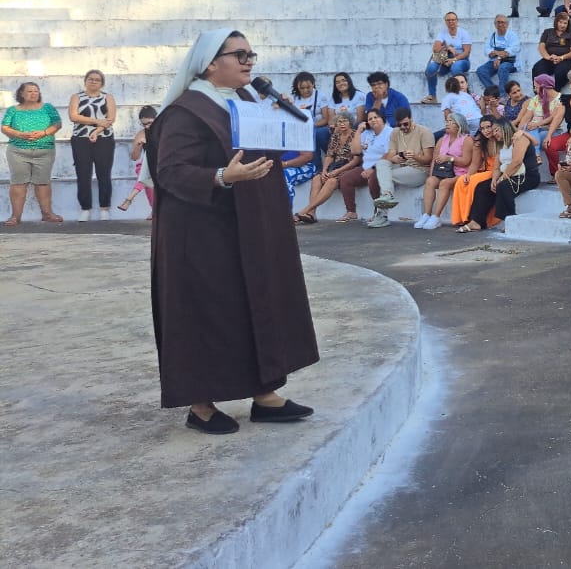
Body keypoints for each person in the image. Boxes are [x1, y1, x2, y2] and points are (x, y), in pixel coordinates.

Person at [146, 30, 318, 434]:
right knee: (207, 313)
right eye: (239, 55)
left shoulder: (245, 100)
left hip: (250, 227)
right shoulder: (186, 111)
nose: (249, 61)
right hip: (202, 235)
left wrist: (283, 122)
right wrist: (222, 176)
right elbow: (170, 172)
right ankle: (201, 405)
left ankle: (265, 394)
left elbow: (263, 154)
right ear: (210, 62)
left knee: (253, 305)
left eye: (251, 54)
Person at [3, 81, 62, 224]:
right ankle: (15, 217)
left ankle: (47, 214)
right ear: (21, 94)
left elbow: (57, 124)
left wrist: (44, 133)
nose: (33, 93)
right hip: (18, 152)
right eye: (29, 91)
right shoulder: (12, 110)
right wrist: (19, 134)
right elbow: (4, 127)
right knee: (18, 183)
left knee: (43, 183)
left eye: (36, 91)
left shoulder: (48, 108)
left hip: (44, 151)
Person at [459, 119, 532, 232]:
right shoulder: (500, 145)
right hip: (508, 174)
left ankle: (510, 220)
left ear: (505, 129)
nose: (494, 133)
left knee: (503, 186)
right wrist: (494, 179)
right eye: (494, 131)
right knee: (483, 186)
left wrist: (502, 178)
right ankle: (476, 221)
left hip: (524, 175)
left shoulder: (519, 139)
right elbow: (497, 167)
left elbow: (517, 162)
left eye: (496, 130)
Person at [64, 68, 117, 221]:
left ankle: (104, 208)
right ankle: (85, 208)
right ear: (85, 81)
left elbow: (110, 119)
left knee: (104, 173)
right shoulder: (76, 97)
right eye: (91, 79)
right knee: (83, 173)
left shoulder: (108, 97)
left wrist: (96, 131)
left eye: (97, 80)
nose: (93, 81)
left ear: (102, 83)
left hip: (104, 138)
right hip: (80, 139)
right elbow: (73, 116)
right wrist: (96, 121)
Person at [294, 112, 360, 224]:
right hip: (334, 166)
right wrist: (325, 170)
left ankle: (306, 210)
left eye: (345, 121)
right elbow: (329, 156)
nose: (342, 124)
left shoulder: (355, 135)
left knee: (331, 182)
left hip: (348, 167)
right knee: (317, 178)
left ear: (350, 122)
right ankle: (312, 213)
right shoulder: (335, 136)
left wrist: (337, 171)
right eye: (339, 121)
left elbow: (355, 161)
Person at [417, 112, 475, 229]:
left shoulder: (467, 139)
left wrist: (450, 159)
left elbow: (466, 161)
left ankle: (436, 217)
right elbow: (434, 159)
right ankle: (426, 214)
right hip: (442, 172)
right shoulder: (442, 140)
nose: (447, 124)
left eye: (451, 122)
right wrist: (432, 174)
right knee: (430, 181)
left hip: (459, 173)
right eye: (447, 121)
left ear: (459, 125)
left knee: (445, 183)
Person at [419, 11, 472, 105]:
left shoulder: (463, 33)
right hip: (445, 61)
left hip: (461, 60)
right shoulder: (442, 33)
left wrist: (454, 60)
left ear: (457, 21)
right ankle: (432, 96)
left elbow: (467, 52)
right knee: (431, 68)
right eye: (448, 20)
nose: (451, 22)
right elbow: (435, 49)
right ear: (445, 21)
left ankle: (460, 95)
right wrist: (447, 47)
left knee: (455, 67)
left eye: (453, 20)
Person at [529, 10, 571, 83]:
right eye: (560, 22)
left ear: (568, 24)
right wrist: (549, 57)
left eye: (565, 23)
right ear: (556, 22)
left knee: (561, 73)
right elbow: (541, 46)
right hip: (550, 58)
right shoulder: (548, 32)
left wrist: (561, 58)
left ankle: (555, 89)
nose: (562, 25)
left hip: (566, 59)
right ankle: (540, 89)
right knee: (537, 68)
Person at [477, 14, 521, 92]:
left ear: (507, 24)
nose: (500, 24)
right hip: (494, 62)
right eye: (498, 22)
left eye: (502, 22)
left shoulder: (513, 36)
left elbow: (511, 50)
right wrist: (499, 53)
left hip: (511, 63)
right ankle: (494, 92)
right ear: (495, 24)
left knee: (503, 68)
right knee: (481, 70)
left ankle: (503, 94)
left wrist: (498, 56)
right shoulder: (492, 36)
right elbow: (488, 51)